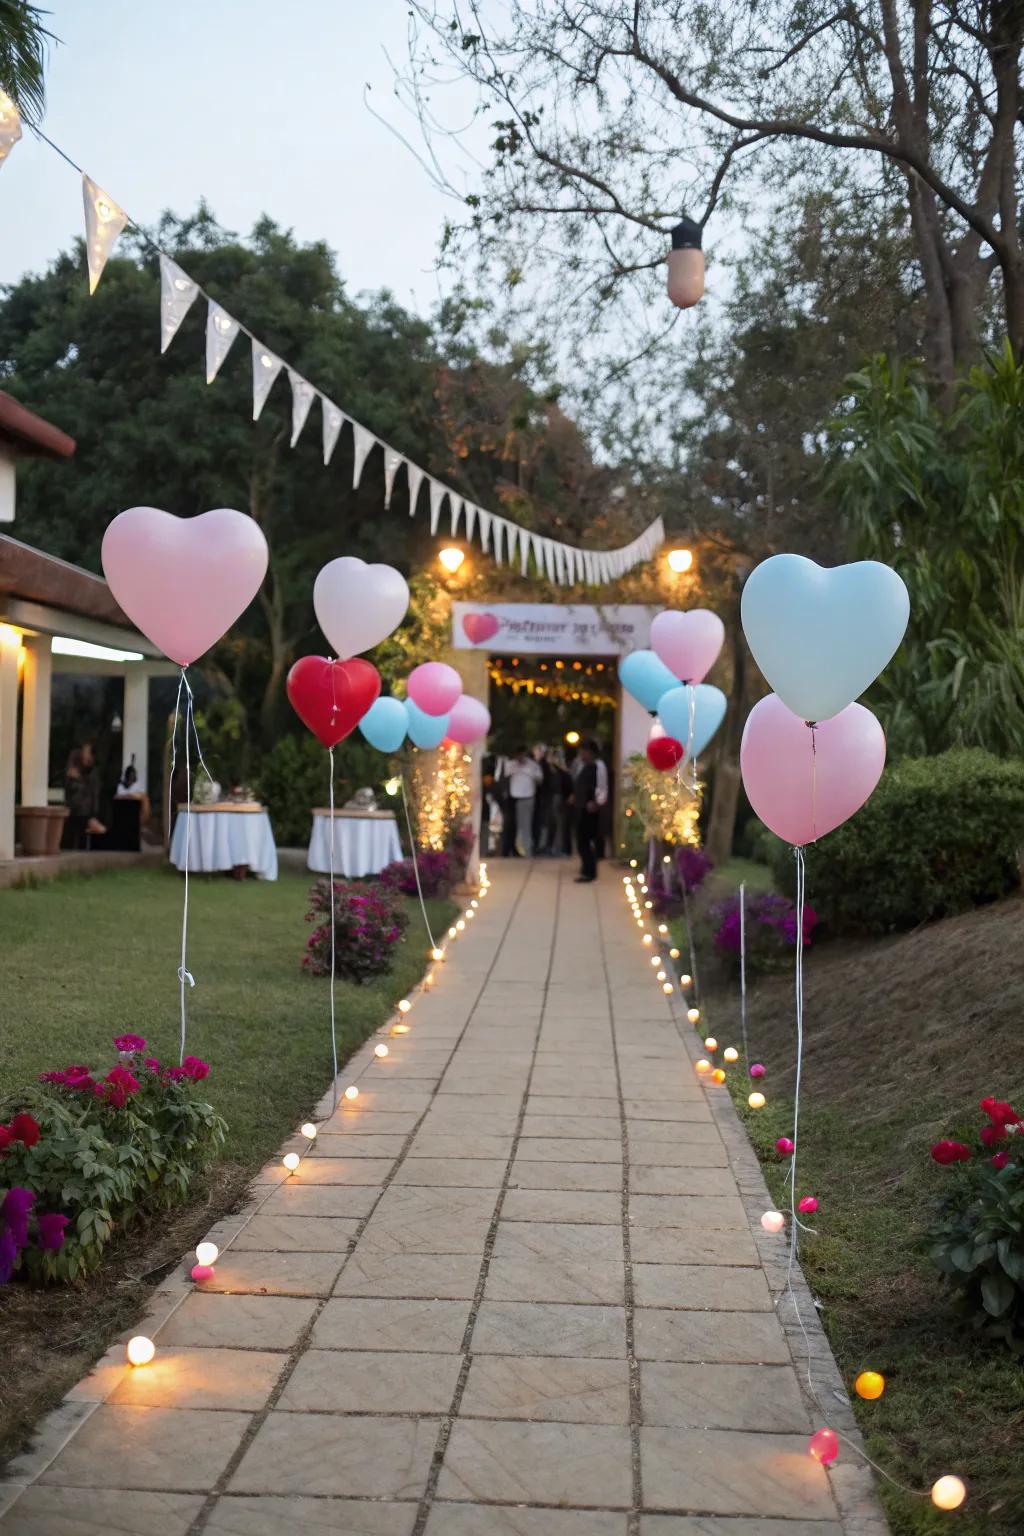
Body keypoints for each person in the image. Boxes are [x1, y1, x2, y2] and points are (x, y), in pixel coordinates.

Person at [497, 745, 543, 857]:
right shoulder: (510, 765)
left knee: (526, 825)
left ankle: (527, 851)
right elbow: (503, 780)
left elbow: (539, 779)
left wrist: (528, 774)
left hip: (527, 797)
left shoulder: (533, 765)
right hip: (512, 798)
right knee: (511, 826)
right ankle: (511, 850)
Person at [574, 738, 608, 883]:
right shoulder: (584, 766)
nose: (582, 756)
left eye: (584, 752)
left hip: (590, 807)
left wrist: (597, 802)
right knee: (581, 839)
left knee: (586, 840)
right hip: (582, 806)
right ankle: (586, 867)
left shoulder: (598, 766)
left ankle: (590, 871)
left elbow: (601, 785)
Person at [63, 741, 106, 848]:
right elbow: (70, 777)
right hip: (75, 809)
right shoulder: (75, 758)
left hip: (85, 811)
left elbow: (93, 792)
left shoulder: (93, 773)